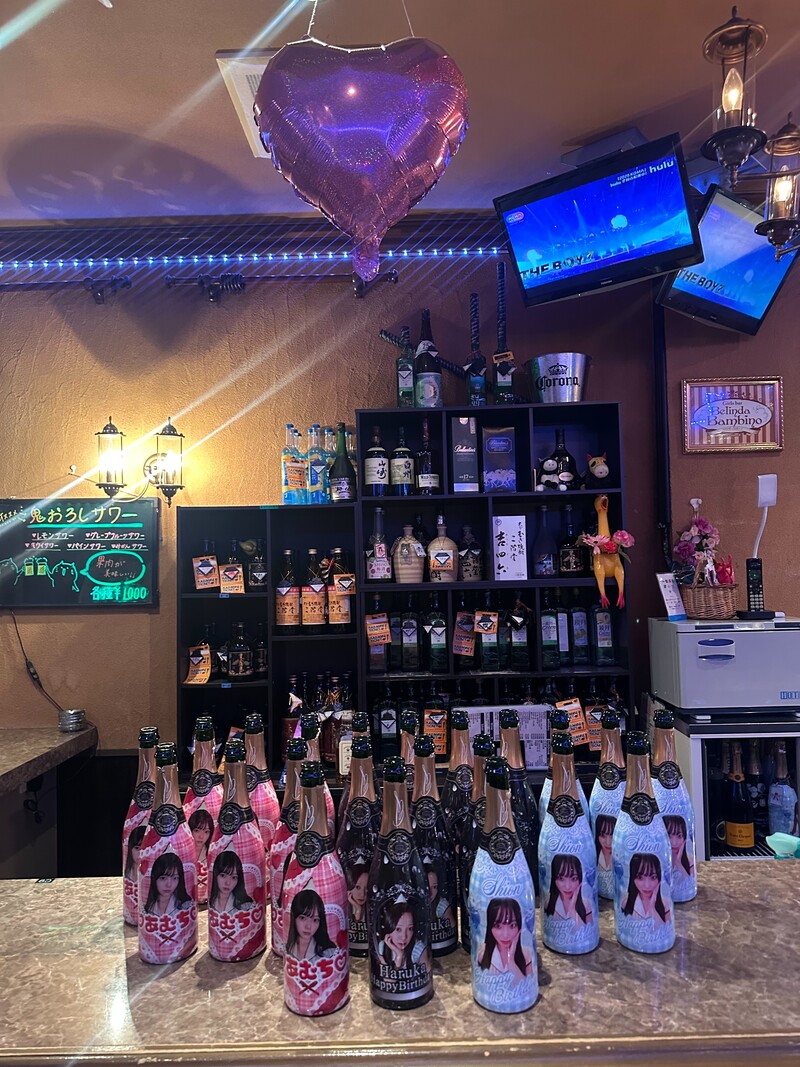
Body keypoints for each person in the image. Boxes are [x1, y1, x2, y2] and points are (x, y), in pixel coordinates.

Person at [477, 898, 533, 984]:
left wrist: (511, 961)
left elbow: (528, 986)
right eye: (498, 926)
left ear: (519, 926)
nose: (505, 935)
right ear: (490, 927)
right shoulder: (482, 953)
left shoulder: (526, 955)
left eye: (512, 925)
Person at [286, 889, 337, 962]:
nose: (308, 926)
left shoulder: (330, 953)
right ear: (294, 918)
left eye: (315, 920)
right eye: (302, 918)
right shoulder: (287, 948)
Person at [544, 854, 593, 926]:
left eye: (574, 879)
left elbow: (588, 929)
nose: (567, 886)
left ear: (580, 880)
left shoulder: (586, 905)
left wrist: (573, 910)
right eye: (561, 878)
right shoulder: (548, 903)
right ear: (554, 879)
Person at [622, 853, 671, 924]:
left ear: (659, 878)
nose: (647, 886)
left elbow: (665, 928)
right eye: (640, 877)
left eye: (653, 877)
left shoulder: (665, 904)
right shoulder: (625, 902)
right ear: (633, 878)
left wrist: (652, 908)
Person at [379, 902, 428, 972]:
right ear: (389, 928)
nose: (404, 937)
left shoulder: (417, 949)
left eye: (410, 929)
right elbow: (387, 977)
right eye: (398, 929)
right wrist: (399, 956)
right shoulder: (382, 947)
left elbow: (428, 973)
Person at [143, 852, 192, 916]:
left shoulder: (187, 906)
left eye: (175, 878)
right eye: (163, 878)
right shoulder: (147, 907)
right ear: (154, 878)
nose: (169, 885)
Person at [664, 815, 694, 879]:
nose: (674, 843)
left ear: (684, 838)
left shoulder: (691, 862)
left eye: (679, 836)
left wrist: (678, 863)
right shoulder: (654, 863)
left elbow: (690, 884)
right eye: (669, 837)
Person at [425, 864, 455, 929]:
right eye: (426, 886)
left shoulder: (442, 906)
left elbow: (453, 928)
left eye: (434, 887)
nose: (430, 893)